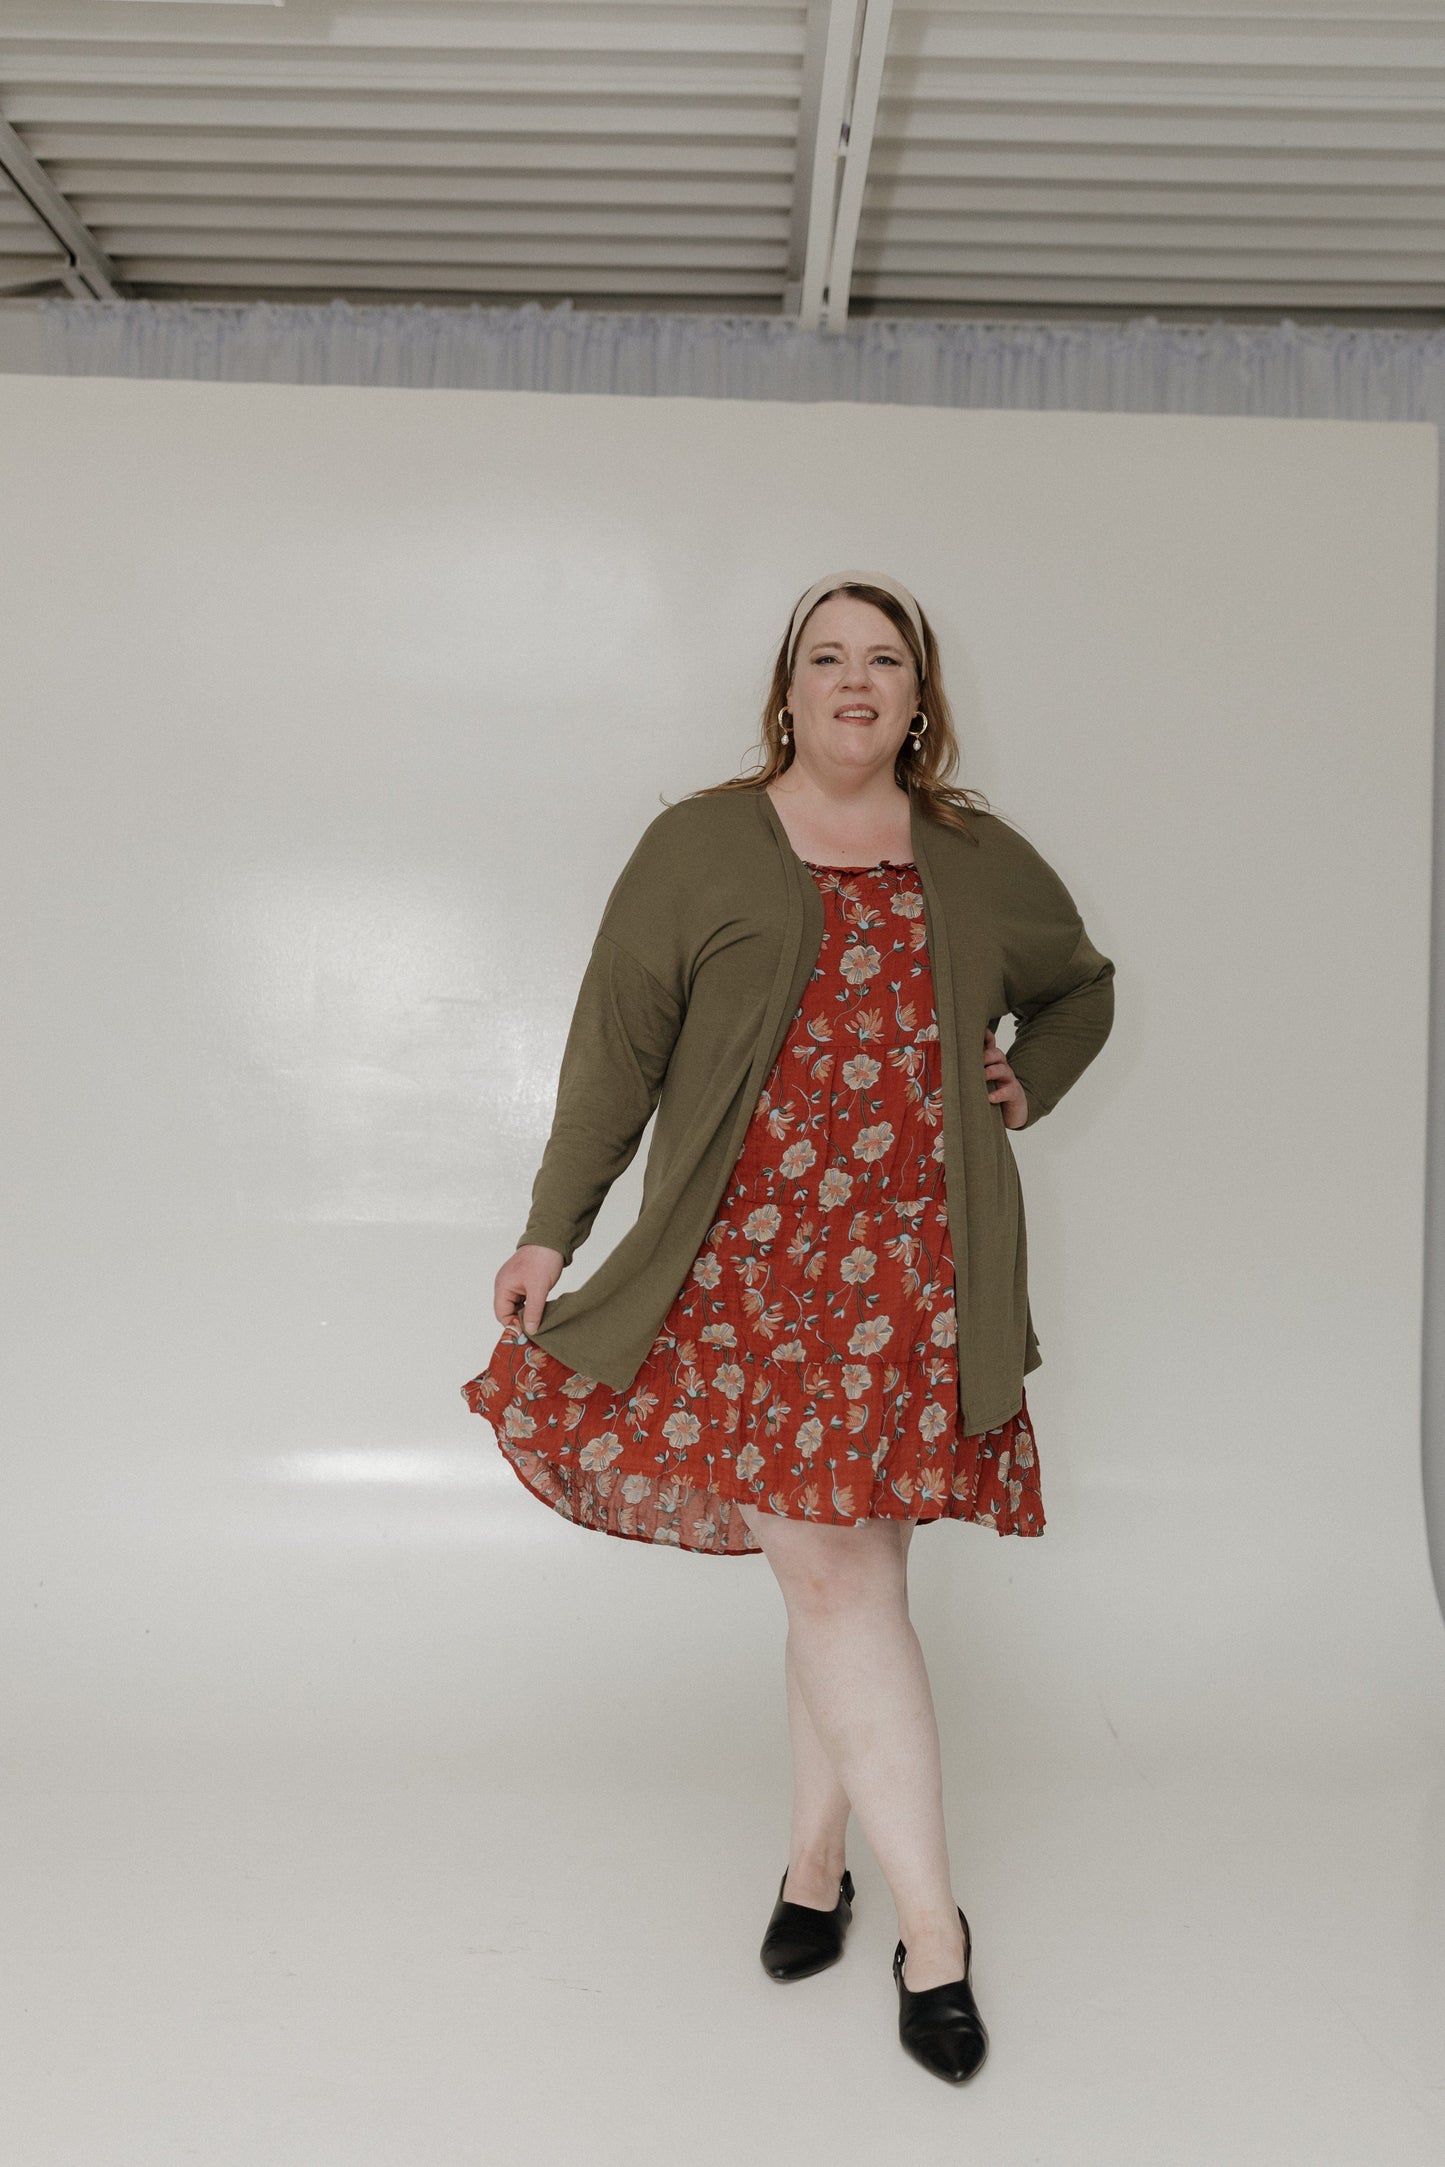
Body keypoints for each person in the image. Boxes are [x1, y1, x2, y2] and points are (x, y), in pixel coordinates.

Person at [462, 570, 1115, 2085]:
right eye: (826, 656)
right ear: (787, 687)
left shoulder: (969, 853)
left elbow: (1078, 992)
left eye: (884, 660)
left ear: (918, 696)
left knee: (852, 1578)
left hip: (913, 1275)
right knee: (833, 1584)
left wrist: (1032, 1077)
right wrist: (552, 1226)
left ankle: (815, 1870)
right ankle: (935, 1937)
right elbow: (613, 1050)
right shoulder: (698, 844)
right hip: (747, 1278)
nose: (853, 681)